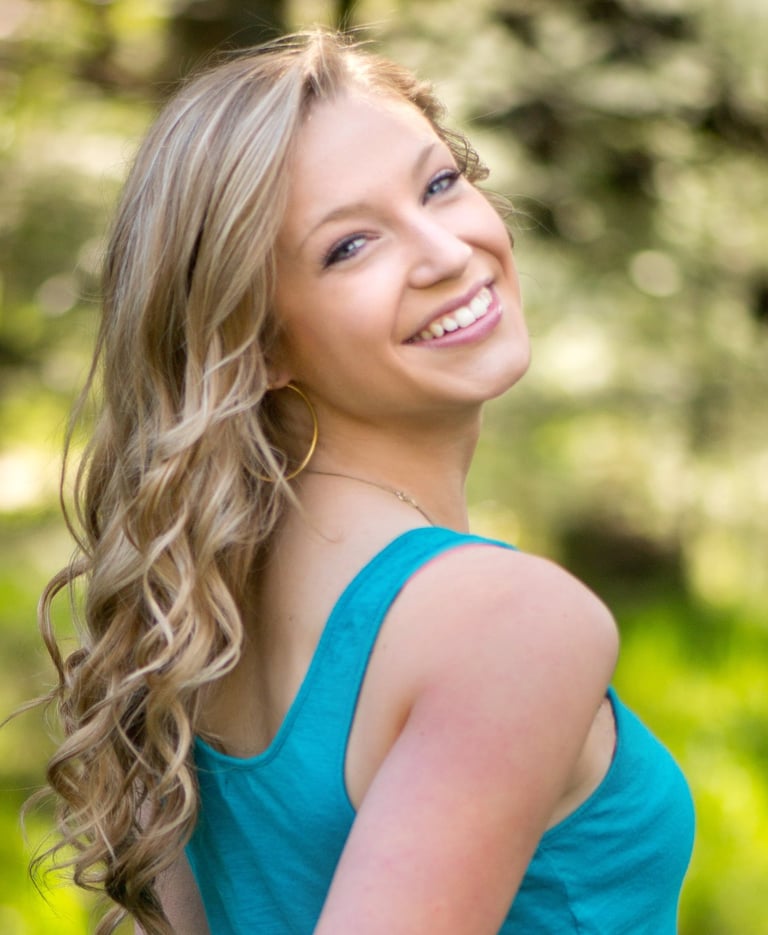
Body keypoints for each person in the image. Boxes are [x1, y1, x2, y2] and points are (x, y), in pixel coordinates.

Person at [33, 29, 695, 935]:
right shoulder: (506, 621)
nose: (447, 252)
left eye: (439, 184)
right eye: (349, 246)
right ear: (256, 341)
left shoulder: (201, 611)